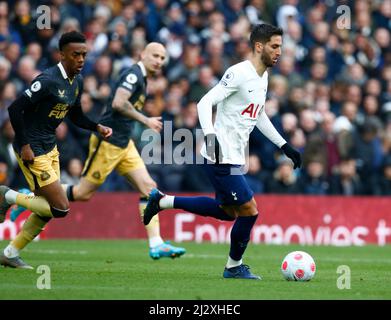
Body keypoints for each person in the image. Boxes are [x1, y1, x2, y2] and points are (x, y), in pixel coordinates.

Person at [143, 24, 301, 279]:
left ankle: (162, 201)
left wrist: (284, 145)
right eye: (274, 46)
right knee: (250, 210)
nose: (279, 51)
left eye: (280, 46)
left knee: (228, 212)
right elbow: (204, 102)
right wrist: (211, 136)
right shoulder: (238, 73)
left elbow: (257, 114)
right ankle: (233, 267)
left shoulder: (263, 77)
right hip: (220, 155)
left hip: (234, 156)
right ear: (259, 46)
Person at [0, 31, 113, 269]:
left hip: (50, 147)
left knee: (47, 209)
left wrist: (96, 127)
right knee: (60, 207)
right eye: (75, 55)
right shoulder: (48, 80)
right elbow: (15, 109)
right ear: (62, 55)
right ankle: (8, 195)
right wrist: (24, 144)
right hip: (33, 148)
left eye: (84, 54)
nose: (81, 59)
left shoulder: (76, 82)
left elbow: (76, 116)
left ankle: (10, 253)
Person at [64, 42, 185, 259]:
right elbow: (119, 103)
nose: (159, 61)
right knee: (82, 193)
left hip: (124, 143)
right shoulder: (133, 74)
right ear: (142, 54)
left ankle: (156, 244)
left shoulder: (144, 79)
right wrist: (145, 119)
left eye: (162, 57)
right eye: (155, 55)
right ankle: (34, 195)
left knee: (150, 188)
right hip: (108, 141)